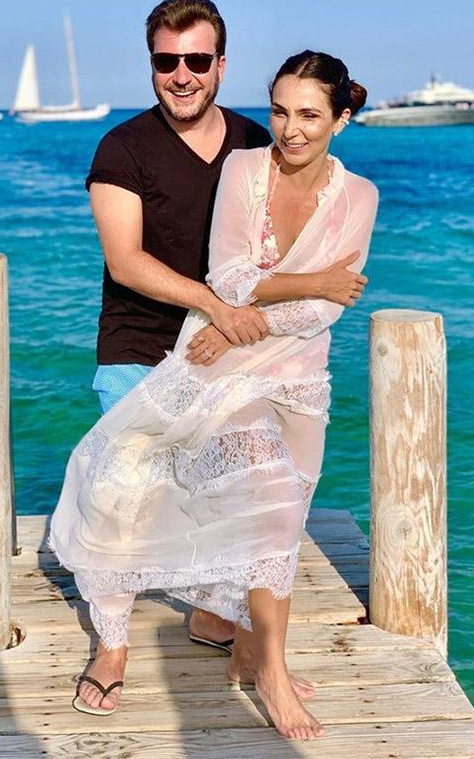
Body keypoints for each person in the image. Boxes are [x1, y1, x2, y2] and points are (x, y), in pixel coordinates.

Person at [50, 48, 377, 740]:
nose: (290, 129)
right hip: (219, 364)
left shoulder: (361, 196)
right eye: (280, 111)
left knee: (285, 519)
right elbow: (227, 277)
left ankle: (244, 645)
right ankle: (269, 674)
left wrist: (254, 317)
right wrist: (306, 283)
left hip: (299, 373)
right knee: (258, 498)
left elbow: (326, 310)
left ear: (340, 120)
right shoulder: (242, 167)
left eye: (309, 115)